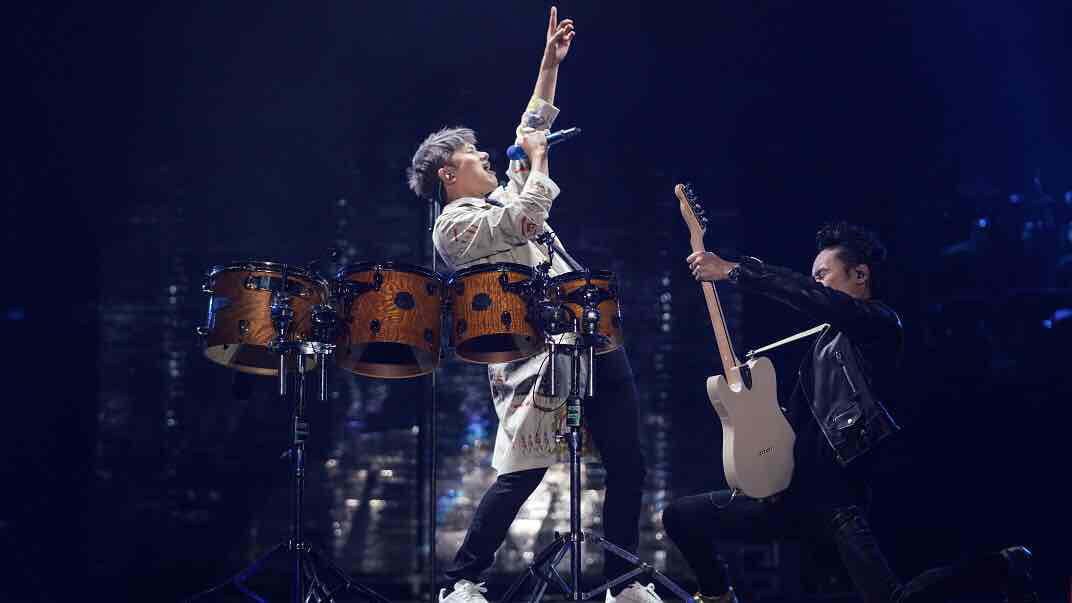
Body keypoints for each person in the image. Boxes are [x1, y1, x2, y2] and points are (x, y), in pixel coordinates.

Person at [406, 8, 658, 603]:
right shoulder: (453, 226)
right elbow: (525, 218)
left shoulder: (500, 194)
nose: (486, 157)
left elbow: (531, 124)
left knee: (629, 462)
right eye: (473, 153)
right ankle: (461, 581)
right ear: (447, 173)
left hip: (588, 329)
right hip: (532, 352)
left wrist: (549, 63)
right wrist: (537, 162)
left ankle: (621, 582)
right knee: (522, 470)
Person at [665, 221, 1037, 603]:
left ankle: (1002, 565)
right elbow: (796, 429)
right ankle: (718, 597)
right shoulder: (821, 348)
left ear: (860, 275)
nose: (816, 285)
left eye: (822, 275)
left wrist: (733, 270)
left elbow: (813, 298)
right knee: (680, 517)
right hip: (793, 497)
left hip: (839, 503)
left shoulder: (879, 326)